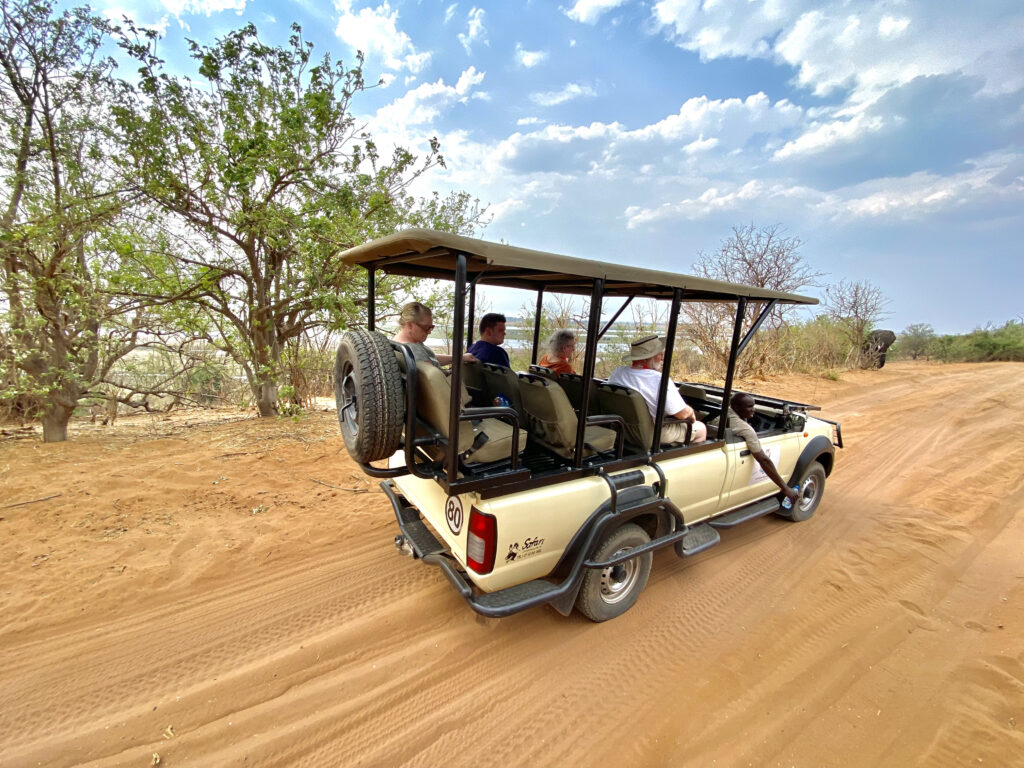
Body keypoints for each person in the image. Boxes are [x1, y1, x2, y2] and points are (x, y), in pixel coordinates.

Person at [607, 335, 707, 445]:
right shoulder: (659, 380)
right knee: (701, 429)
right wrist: (691, 413)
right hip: (651, 434)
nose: (663, 358)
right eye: (660, 354)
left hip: (622, 430)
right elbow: (681, 414)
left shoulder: (618, 373)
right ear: (646, 358)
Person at [726, 392, 800, 506]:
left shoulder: (725, 413)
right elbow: (764, 460)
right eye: (749, 407)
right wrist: (785, 488)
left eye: (753, 406)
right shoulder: (745, 429)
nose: (753, 410)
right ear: (736, 407)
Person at [393, 302, 475, 368]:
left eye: (431, 327)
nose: (429, 332)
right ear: (410, 325)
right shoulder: (414, 350)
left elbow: (430, 358)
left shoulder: (397, 345)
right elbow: (435, 376)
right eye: (426, 327)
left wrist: (460, 357)